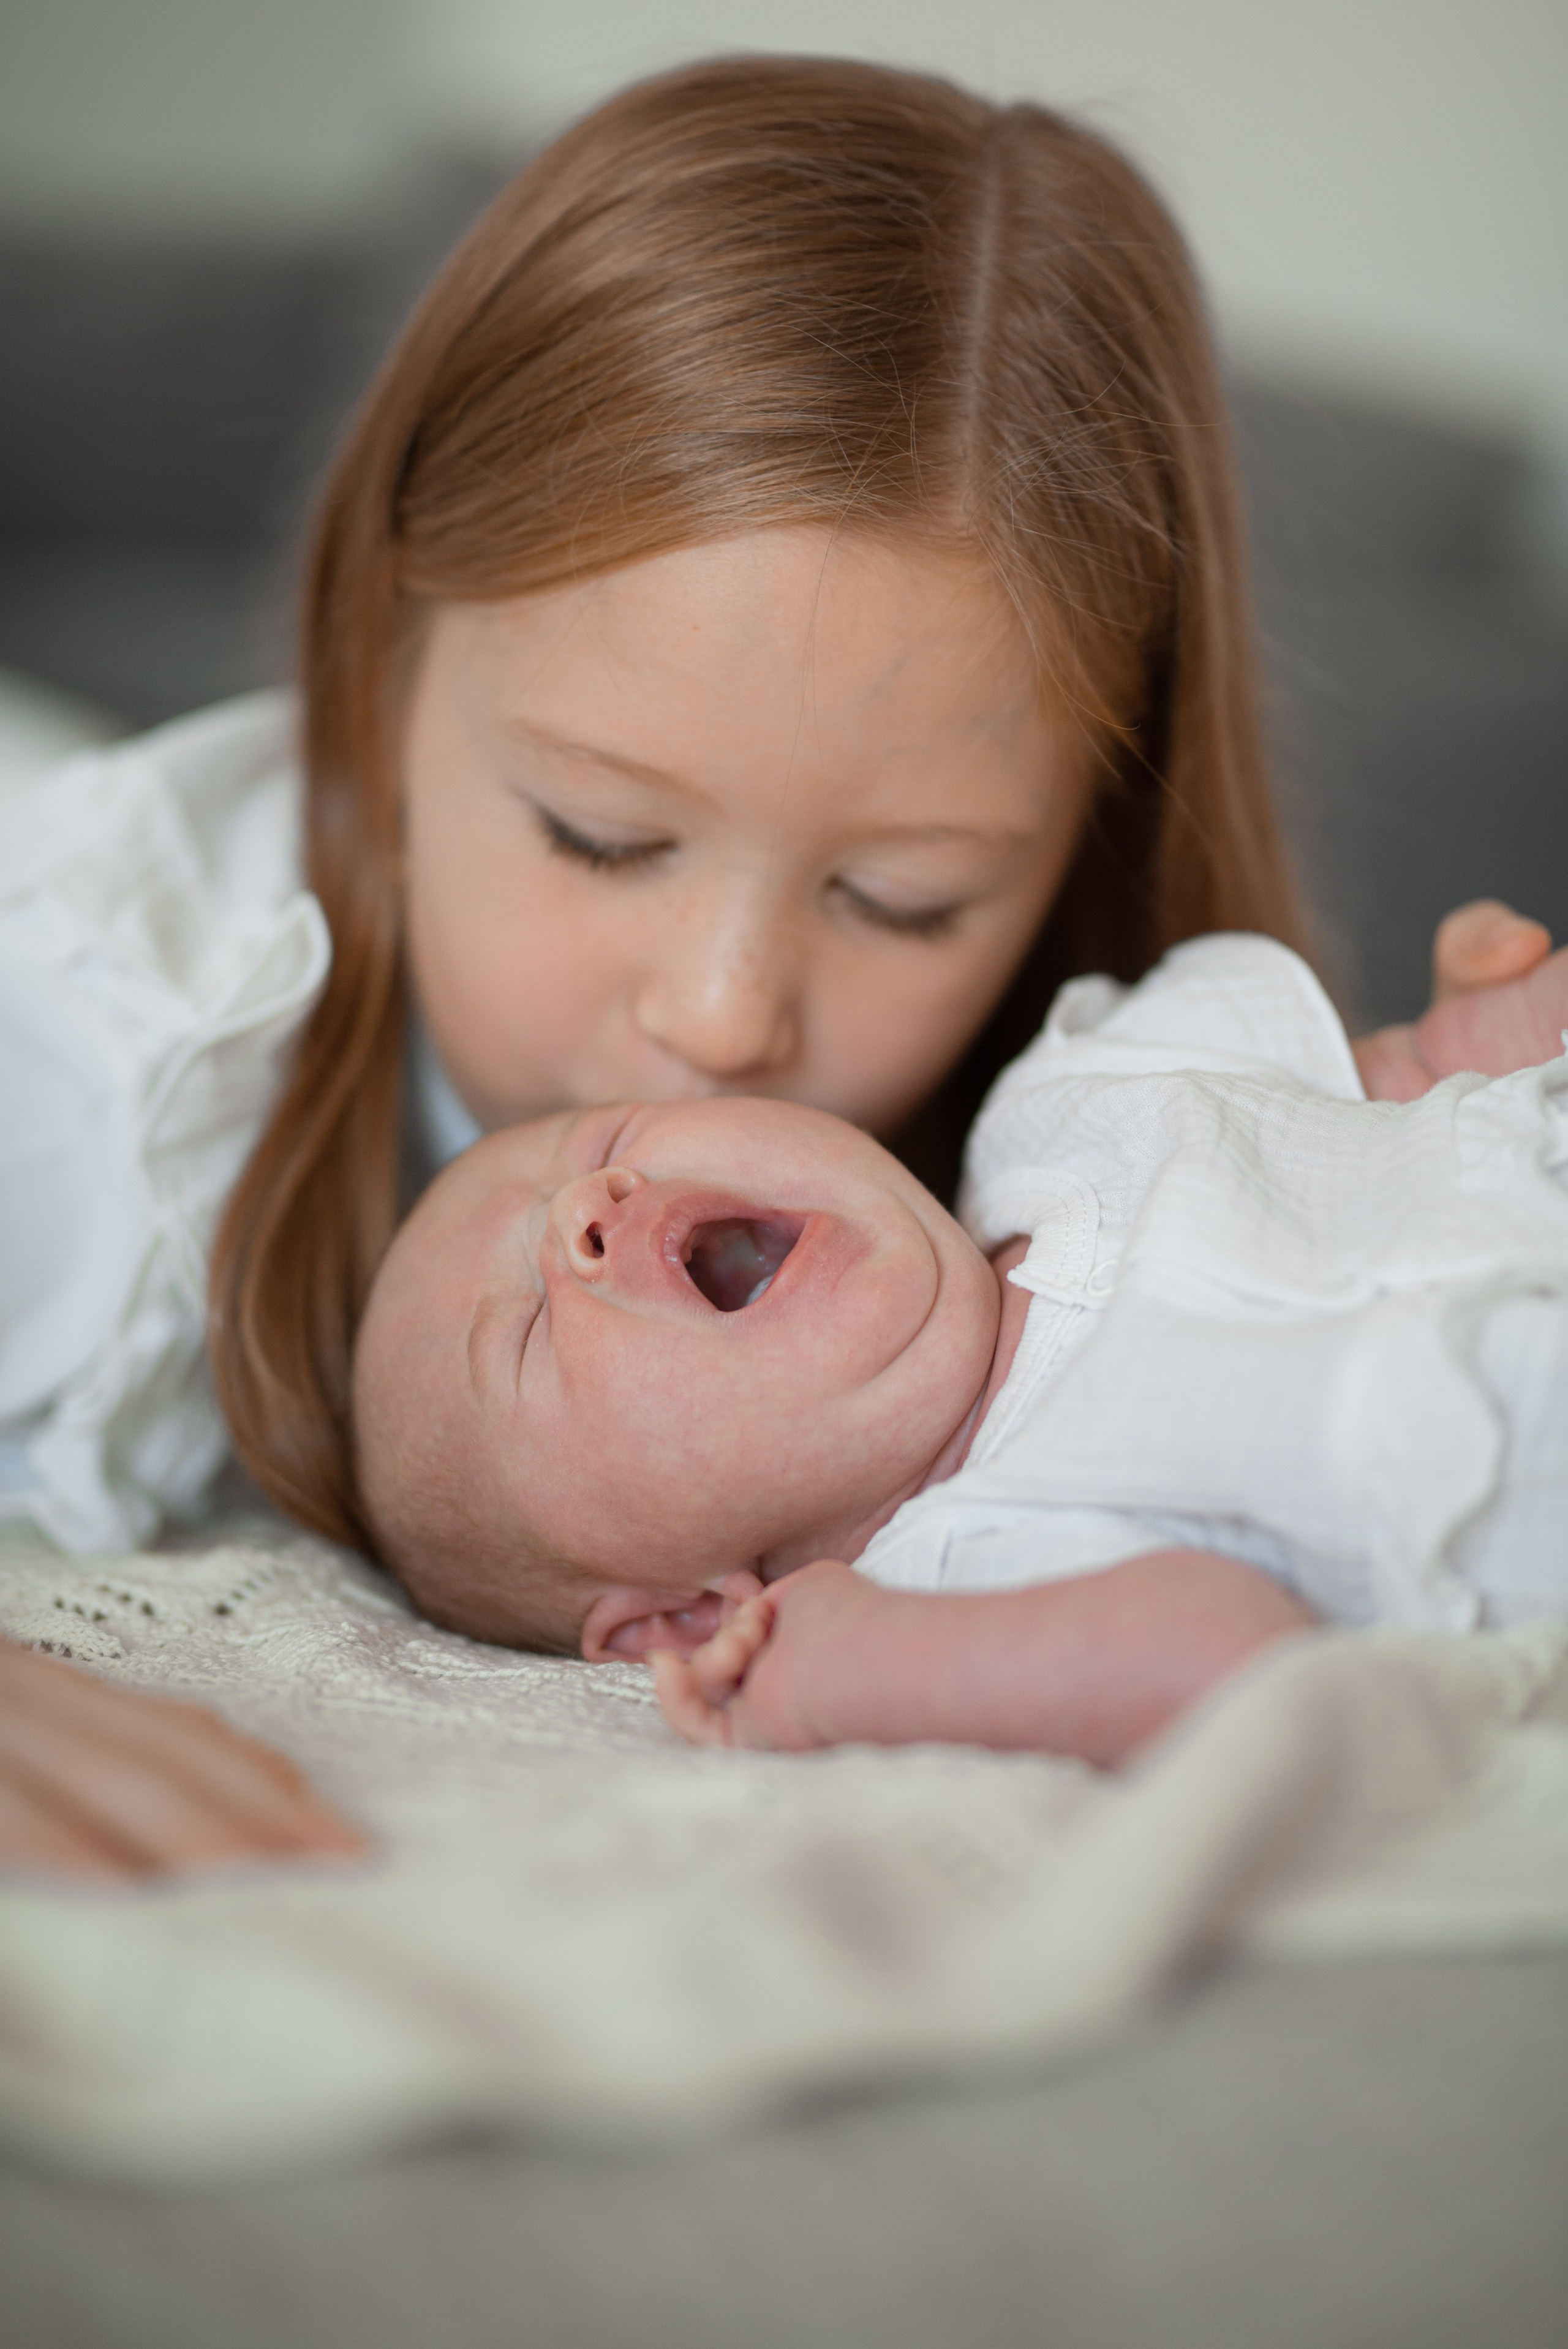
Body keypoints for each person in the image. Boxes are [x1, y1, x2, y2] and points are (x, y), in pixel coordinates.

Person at [0, 55, 1555, 1877]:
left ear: (1079, 859)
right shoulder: (102, 1045)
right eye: (602, 834)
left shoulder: (1083, 1150)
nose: (725, 1012)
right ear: (380, 682)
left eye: (900, 898)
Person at [350, 932, 1568, 1768]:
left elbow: (1412, 1069)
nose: (586, 1206)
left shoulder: (1075, 1096)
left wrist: (1503, 1010)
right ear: (675, 1620)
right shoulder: (955, 1574)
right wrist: (851, 1673)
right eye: (523, 1333)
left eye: (601, 1136)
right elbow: (1234, 1660)